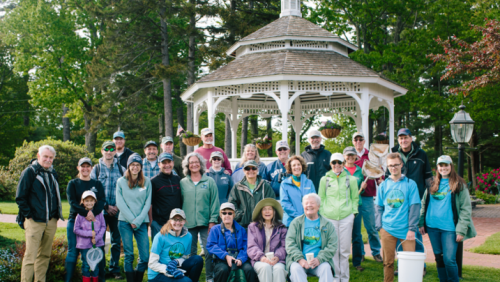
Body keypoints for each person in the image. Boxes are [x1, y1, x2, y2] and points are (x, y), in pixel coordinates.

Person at [419, 156, 476, 282]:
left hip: (450, 228)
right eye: (441, 165)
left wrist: (461, 230)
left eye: (446, 165)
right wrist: (421, 222)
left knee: (449, 260)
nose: (443, 168)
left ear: (451, 166)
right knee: (439, 258)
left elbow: (466, 209)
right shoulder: (431, 183)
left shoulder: (459, 184)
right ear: (437, 167)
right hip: (432, 227)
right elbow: (424, 203)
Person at [16, 145, 64, 282]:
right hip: (34, 220)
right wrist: (29, 215)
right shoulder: (30, 172)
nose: (48, 160)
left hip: (51, 221)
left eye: (51, 157)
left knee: (44, 255)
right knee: (30, 256)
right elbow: (20, 197)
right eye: (45, 156)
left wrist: (55, 216)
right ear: (38, 156)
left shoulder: (53, 173)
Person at [388, 128, 432, 275]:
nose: (403, 141)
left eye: (406, 137)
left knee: (416, 233)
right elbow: (388, 175)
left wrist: (430, 196)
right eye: (400, 138)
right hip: (398, 200)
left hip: (416, 200)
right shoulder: (394, 153)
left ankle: (420, 266)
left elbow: (428, 178)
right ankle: (403, 264)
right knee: (400, 233)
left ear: (411, 138)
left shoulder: (421, 154)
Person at [376, 153, 421, 282]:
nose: (393, 168)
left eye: (396, 165)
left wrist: (412, 228)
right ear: (387, 167)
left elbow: (414, 207)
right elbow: (378, 207)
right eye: (390, 165)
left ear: (401, 165)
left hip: (407, 230)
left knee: (409, 263)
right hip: (387, 229)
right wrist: (380, 227)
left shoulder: (410, 184)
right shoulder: (383, 185)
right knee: (388, 263)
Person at [317, 153, 358, 282]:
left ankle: (344, 278)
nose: (337, 165)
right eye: (334, 163)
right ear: (330, 164)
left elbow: (355, 198)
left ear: (343, 163)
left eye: (339, 162)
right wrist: (323, 214)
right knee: (333, 250)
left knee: (344, 251)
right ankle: (335, 278)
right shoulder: (325, 179)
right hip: (329, 218)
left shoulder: (351, 180)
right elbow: (321, 198)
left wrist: (353, 214)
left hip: (346, 217)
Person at [180, 152, 220, 282]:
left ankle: (209, 277)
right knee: (190, 254)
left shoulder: (209, 181)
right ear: (187, 165)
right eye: (191, 162)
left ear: (201, 164)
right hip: (188, 223)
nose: (194, 164)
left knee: (209, 252)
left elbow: (214, 202)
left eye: (196, 162)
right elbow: (179, 202)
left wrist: (213, 221)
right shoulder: (183, 183)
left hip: (206, 223)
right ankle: (191, 278)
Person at [65, 157, 105, 282]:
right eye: (83, 166)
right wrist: (86, 213)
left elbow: (102, 201)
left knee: (97, 250)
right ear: (78, 168)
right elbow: (72, 202)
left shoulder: (97, 184)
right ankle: (68, 279)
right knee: (73, 251)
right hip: (75, 220)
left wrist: (93, 213)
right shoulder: (73, 183)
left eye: (88, 166)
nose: (85, 169)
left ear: (91, 168)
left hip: (95, 222)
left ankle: (99, 278)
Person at [91, 141, 126, 280]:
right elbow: (93, 190)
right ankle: (100, 269)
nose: (109, 151)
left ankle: (114, 268)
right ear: (102, 151)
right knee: (99, 240)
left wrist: (117, 206)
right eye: (107, 149)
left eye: (112, 149)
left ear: (115, 151)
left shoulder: (122, 169)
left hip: (117, 211)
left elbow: (125, 190)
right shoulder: (96, 169)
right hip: (100, 211)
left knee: (116, 241)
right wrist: (105, 206)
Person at [116, 153, 152, 282]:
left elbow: (148, 202)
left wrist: (138, 220)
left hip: (141, 222)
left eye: (138, 165)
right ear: (128, 166)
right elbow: (120, 203)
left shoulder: (147, 181)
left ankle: (137, 278)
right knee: (129, 254)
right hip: (125, 222)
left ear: (141, 167)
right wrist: (132, 220)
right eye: (132, 165)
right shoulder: (121, 181)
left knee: (145, 256)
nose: (135, 167)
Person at [286, 194, 337, 282]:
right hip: (299, 261)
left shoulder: (327, 225)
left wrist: (319, 259)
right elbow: (290, 244)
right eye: (306, 203)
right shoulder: (296, 223)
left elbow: (332, 246)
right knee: (295, 269)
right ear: (303, 206)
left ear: (318, 206)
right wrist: (300, 259)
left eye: (312, 203)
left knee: (326, 268)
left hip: (319, 261)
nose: (309, 205)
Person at [350, 132, 383, 267]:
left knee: (371, 226)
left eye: (361, 139)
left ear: (364, 141)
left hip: (368, 196)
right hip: (355, 196)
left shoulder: (371, 155)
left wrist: (380, 179)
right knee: (356, 228)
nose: (358, 141)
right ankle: (361, 252)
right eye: (356, 139)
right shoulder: (350, 156)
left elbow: (378, 172)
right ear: (353, 142)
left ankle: (375, 251)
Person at [148, 209, 204, 282]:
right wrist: (169, 269)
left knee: (198, 259)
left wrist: (177, 261)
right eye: (175, 219)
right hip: (158, 274)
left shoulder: (188, 236)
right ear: (170, 221)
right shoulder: (160, 236)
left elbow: (184, 257)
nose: (178, 222)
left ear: (184, 221)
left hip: (176, 267)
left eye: (180, 220)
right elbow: (152, 263)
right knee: (187, 281)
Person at [206, 203, 257, 282]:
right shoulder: (215, 229)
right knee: (222, 270)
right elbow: (211, 245)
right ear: (220, 215)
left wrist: (241, 259)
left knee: (249, 270)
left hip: (239, 259)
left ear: (234, 215)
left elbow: (246, 246)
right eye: (224, 213)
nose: (227, 215)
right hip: (221, 260)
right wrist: (225, 256)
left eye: (230, 213)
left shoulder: (242, 230)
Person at [247, 198, 288, 282]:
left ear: (274, 212)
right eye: (264, 209)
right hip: (259, 260)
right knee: (265, 267)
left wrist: (277, 257)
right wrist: (262, 258)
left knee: (279, 269)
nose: (267, 212)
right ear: (261, 212)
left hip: (277, 260)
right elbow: (251, 246)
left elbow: (284, 246)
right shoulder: (253, 227)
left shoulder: (281, 228)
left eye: (270, 209)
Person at [228, 160, 276, 228]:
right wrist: (241, 216)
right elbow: (232, 204)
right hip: (242, 227)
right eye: (247, 168)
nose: (251, 171)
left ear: (257, 170)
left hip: (261, 226)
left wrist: (265, 217)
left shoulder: (265, 185)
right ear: (244, 171)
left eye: (253, 168)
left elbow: (272, 203)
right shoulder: (237, 186)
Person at [74, 191, 106, 282]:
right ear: (83, 202)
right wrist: (89, 234)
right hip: (84, 246)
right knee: (86, 265)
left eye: (91, 200)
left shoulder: (99, 214)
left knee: (95, 265)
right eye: (86, 201)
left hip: (96, 245)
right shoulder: (80, 215)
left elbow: (103, 227)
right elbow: (76, 229)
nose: (89, 203)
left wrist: (96, 238)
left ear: (95, 201)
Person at [150, 152, 183, 240]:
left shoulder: (178, 180)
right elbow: (149, 203)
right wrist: (151, 222)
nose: (167, 165)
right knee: (159, 251)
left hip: (176, 223)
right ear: (159, 164)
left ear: (173, 163)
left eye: (169, 162)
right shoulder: (154, 181)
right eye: (164, 163)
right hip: (160, 223)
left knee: (175, 250)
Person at [280, 155, 315, 227]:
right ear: (290, 168)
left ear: (302, 166)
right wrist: (299, 217)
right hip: (291, 222)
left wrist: (308, 216)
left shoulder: (309, 183)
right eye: (294, 165)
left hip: (307, 221)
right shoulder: (284, 184)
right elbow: (285, 204)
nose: (297, 167)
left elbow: (314, 201)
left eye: (299, 164)